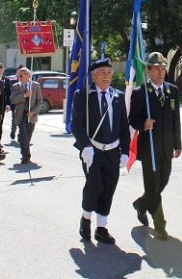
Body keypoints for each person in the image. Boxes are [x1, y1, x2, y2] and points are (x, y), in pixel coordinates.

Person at [71, 57, 130, 244]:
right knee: (95, 186)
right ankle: (86, 218)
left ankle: (101, 228)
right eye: (102, 73)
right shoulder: (83, 96)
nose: (107, 76)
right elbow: (76, 124)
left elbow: (123, 126)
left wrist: (125, 151)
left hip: (112, 152)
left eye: (109, 73)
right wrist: (85, 146)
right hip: (92, 151)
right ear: (93, 76)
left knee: (109, 189)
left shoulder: (118, 97)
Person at [128, 52, 181, 240]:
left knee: (162, 182)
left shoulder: (172, 91)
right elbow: (132, 118)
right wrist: (143, 124)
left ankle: (142, 204)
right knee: (152, 186)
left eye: (163, 69)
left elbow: (176, 119)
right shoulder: (140, 93)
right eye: (156, 69)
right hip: (149, 147)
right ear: (148, 71)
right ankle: (160, 225)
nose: (160, 72)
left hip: (167, 147)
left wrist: (177, 143)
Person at [10, 68, 41, 164]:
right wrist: (24, 95)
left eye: (22, 75)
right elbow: (13, 99)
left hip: (31, 115)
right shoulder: (16, 86)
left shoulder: (35, 86)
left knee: (27, 137)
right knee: (23, 136)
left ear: (28, 75)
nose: (20, 77)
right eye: (19, 75)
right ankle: (26, 156)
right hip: (21, 115)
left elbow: (39, 101)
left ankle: (24, 150)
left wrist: (33, 112)